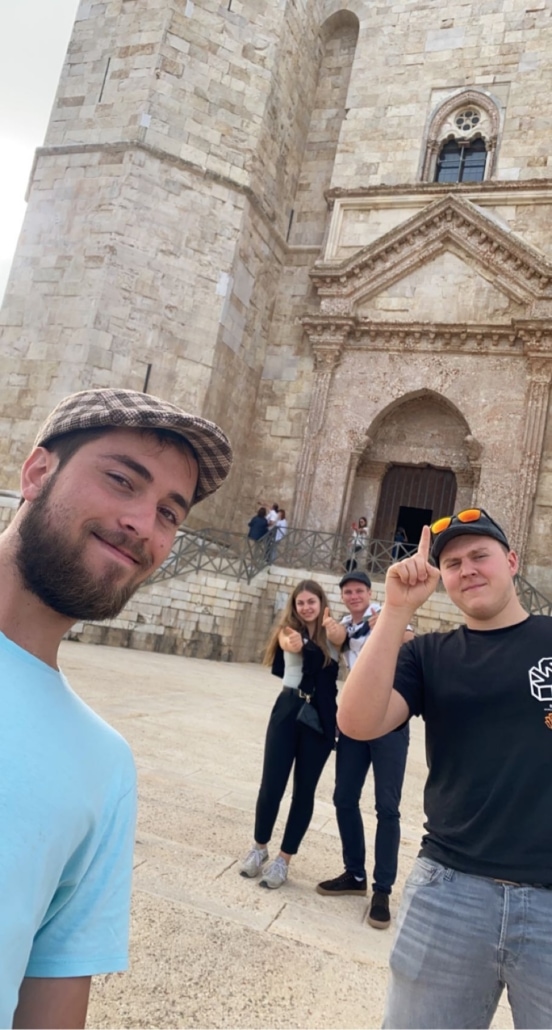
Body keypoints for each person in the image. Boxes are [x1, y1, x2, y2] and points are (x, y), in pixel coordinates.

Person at [1, 387, 232, 1030]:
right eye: (122, 480)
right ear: (37, 472)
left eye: (169, 514)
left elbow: (50, 1001)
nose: (142, 525)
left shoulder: (104, 766)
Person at [338, 508, 552, 1030]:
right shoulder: (429, 655)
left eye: (480, 556)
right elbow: (357, 721)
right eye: (452, 563)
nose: (467, 569)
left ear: (512, 561)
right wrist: (396, 609)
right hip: (451, 892)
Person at [317, 571, 413, 930]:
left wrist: (389, 625)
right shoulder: (344, 624)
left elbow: (410, 640)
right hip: (355, 720)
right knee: (344, 797)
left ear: (370, 593)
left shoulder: (387, 614)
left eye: (359, 590)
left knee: (387, 807)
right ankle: (355, 874)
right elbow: (337, 642)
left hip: (389, 720)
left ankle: (382, 889)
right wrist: (328, 628)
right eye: (348, 592)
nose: (354, 596)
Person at [240, 580, 339, 889]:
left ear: (322, 603)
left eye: (311, 602)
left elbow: (345, 641)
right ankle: (259, 847)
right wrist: (296, 642)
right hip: (288, 709)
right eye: (301, 603)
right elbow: (290, 645)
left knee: (304, 791)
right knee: (271, 784)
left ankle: (284, 859)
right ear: (294, 606)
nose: (306, 607)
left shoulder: (335, 633)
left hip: (320, 717)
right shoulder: (288, 631)